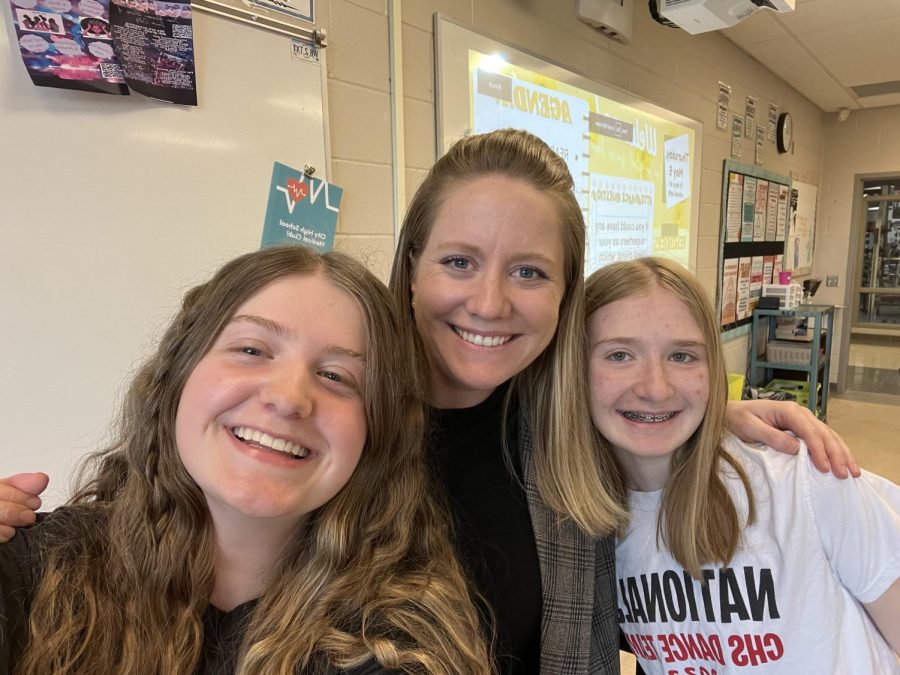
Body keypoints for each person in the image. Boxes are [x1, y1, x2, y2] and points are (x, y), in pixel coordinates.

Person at [0, 130, 858, 673]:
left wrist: (710, 425)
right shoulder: (321, 437)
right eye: (457, 261)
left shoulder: (567, 441)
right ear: (409, 263)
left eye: (529, 272)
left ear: (563, 297)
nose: (489, 303)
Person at [0, 245, 490, 674]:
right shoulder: (36, 570)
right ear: (177, 377)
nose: (289, 397)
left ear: (375, 434)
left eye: (338, 376)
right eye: (252, 349)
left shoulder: (396, 646)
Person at [585, 257, 899, 674]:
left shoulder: (805, 481)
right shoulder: (588, 530)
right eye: (620, 354)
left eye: (682, 356)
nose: (655, 389)